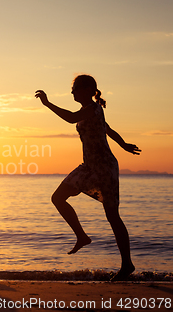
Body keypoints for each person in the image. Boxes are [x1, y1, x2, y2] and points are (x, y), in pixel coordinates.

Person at [35, 74, 141, 281]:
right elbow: (108, 129)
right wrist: (124, 144)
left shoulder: (92, 109)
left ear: (86, 90)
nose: (72, 91)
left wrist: (47, 103)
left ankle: (127, 264)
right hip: (89, 167)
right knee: (57, 198)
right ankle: (82, 236)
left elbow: (71, 119)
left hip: (104, 168)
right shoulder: (91, 110)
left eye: (74, 88)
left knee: (113, 216)